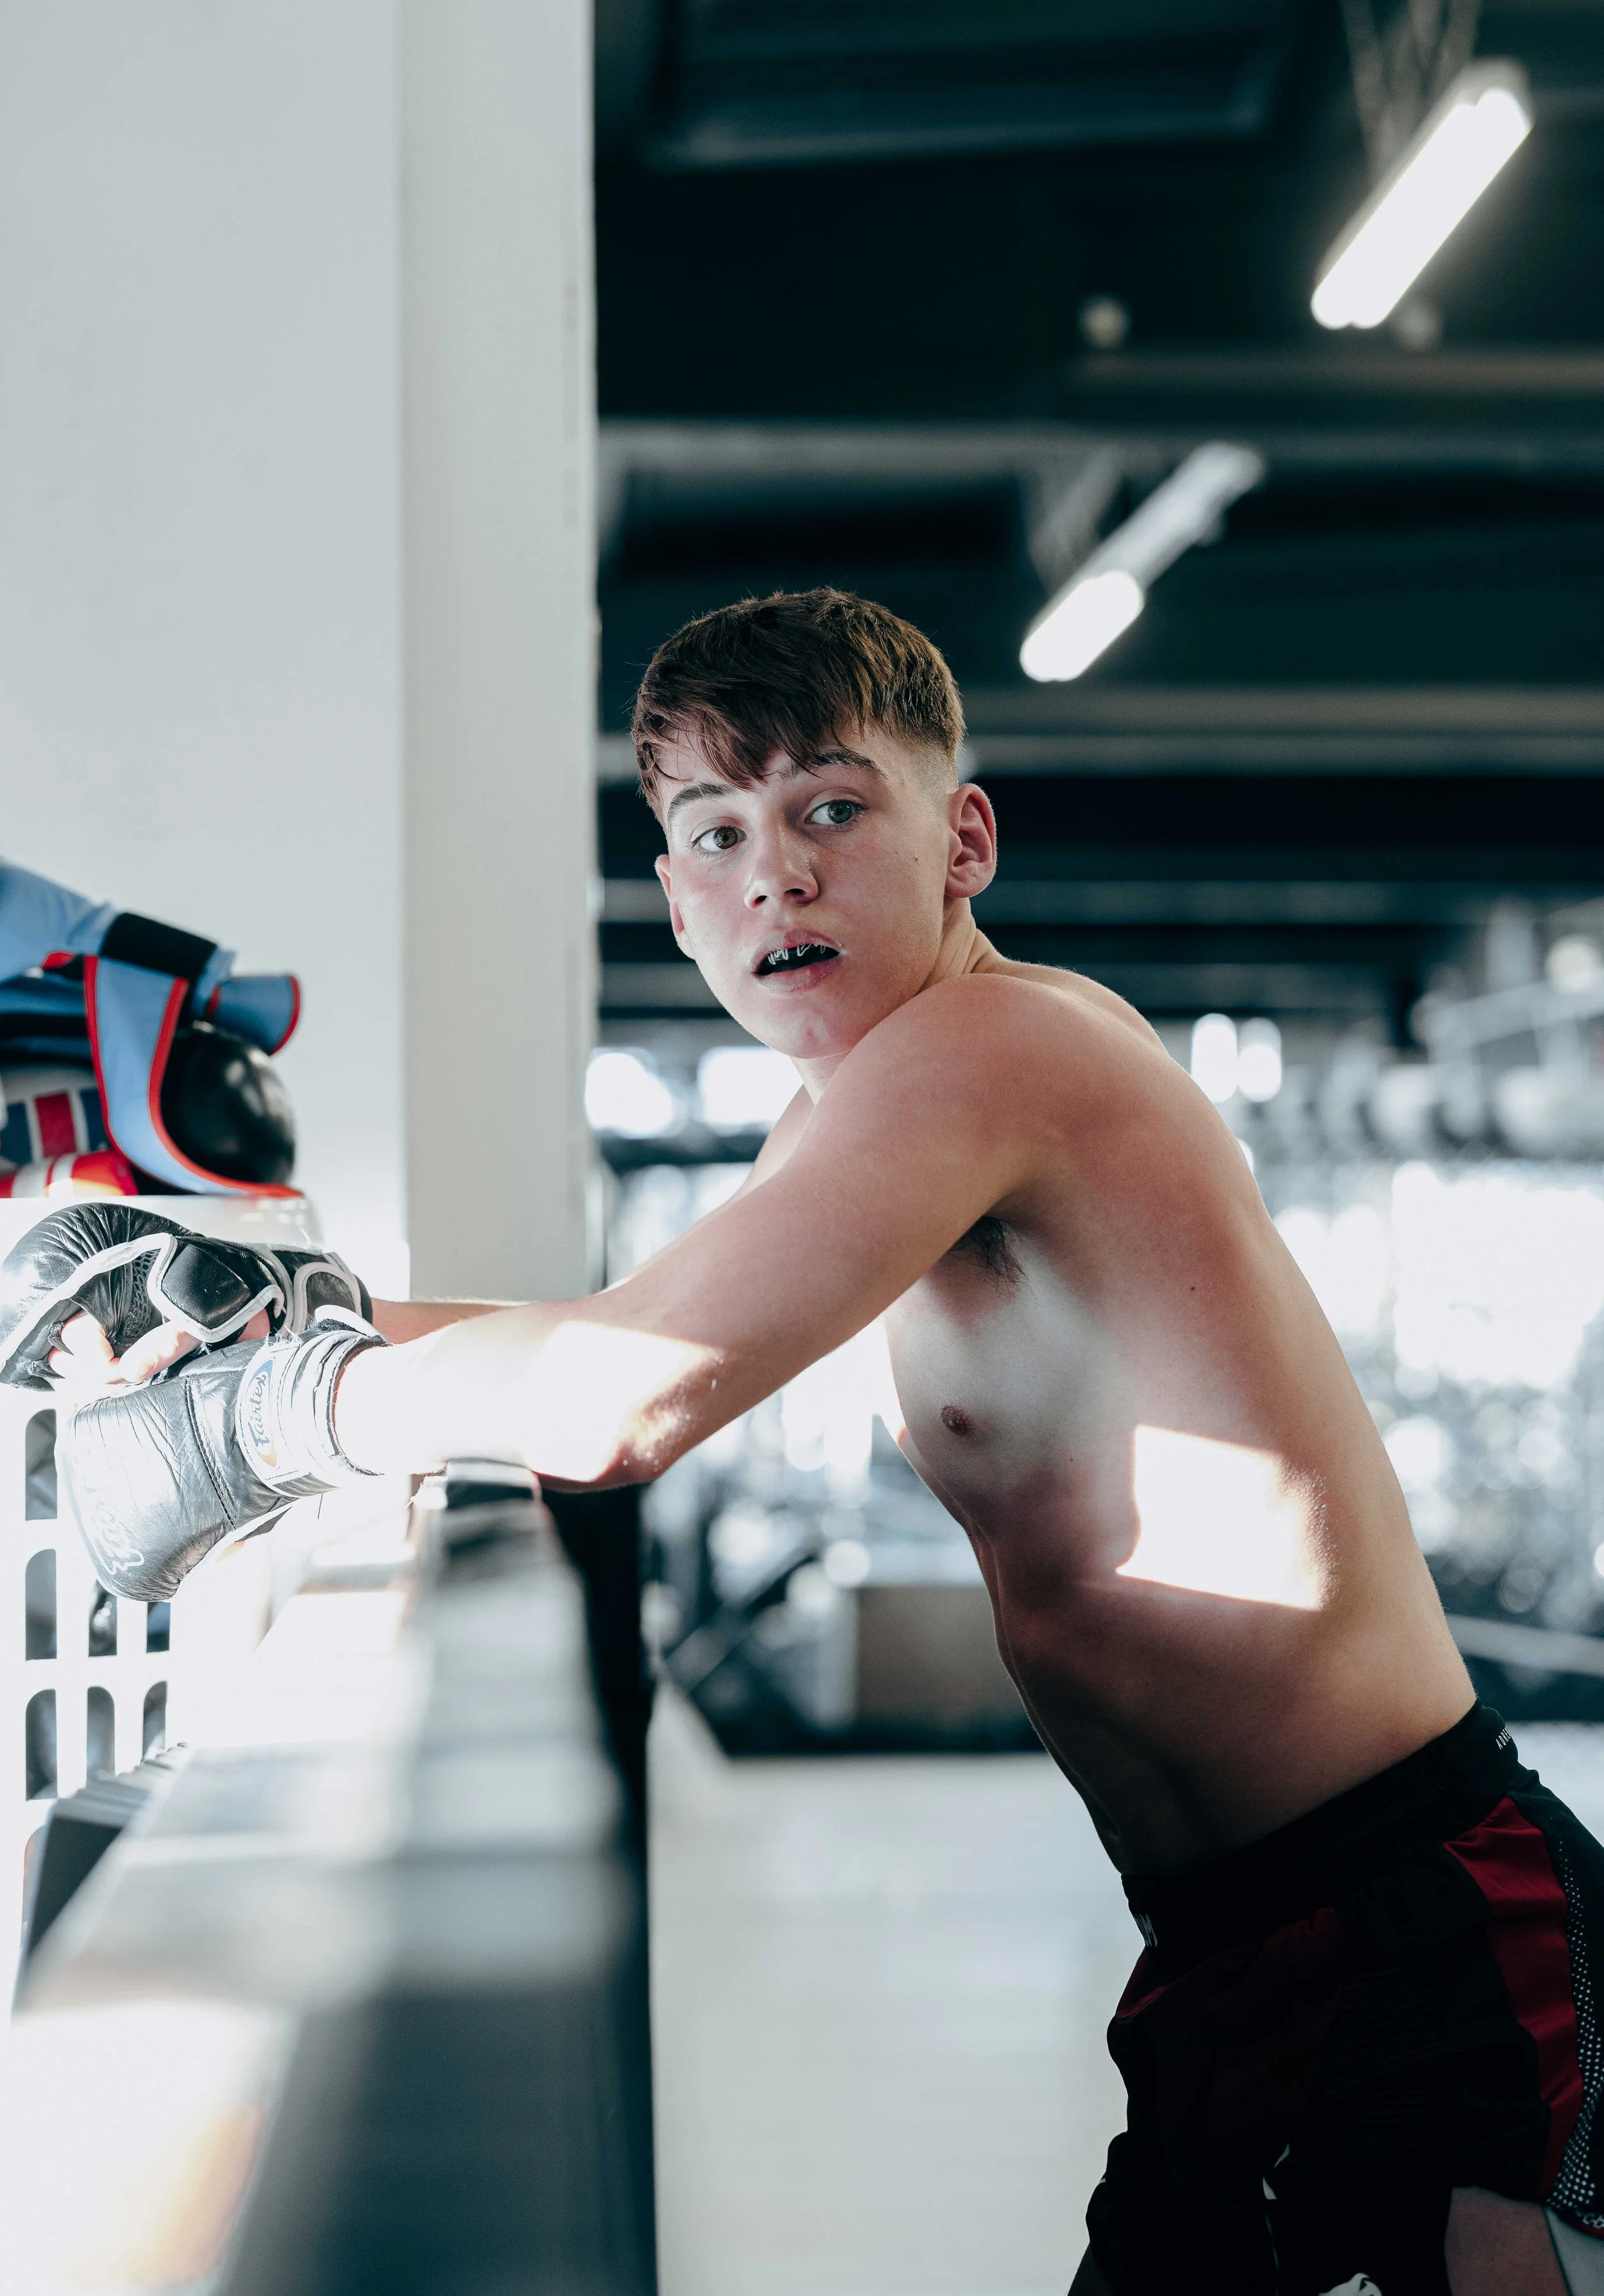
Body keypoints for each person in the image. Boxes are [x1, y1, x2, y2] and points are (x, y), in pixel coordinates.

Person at [5, 588, 1603, 2295]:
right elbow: (610, 1332)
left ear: (961, 837)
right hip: (1240, 1949)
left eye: (832, 807)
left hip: (1429, 1923)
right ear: (679, 899)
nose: (777, 868)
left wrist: (263, 1411)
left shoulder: (993, 1050)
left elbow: (619, 1403)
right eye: (717, 830)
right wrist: (258, 1306)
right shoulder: (849, 1111)